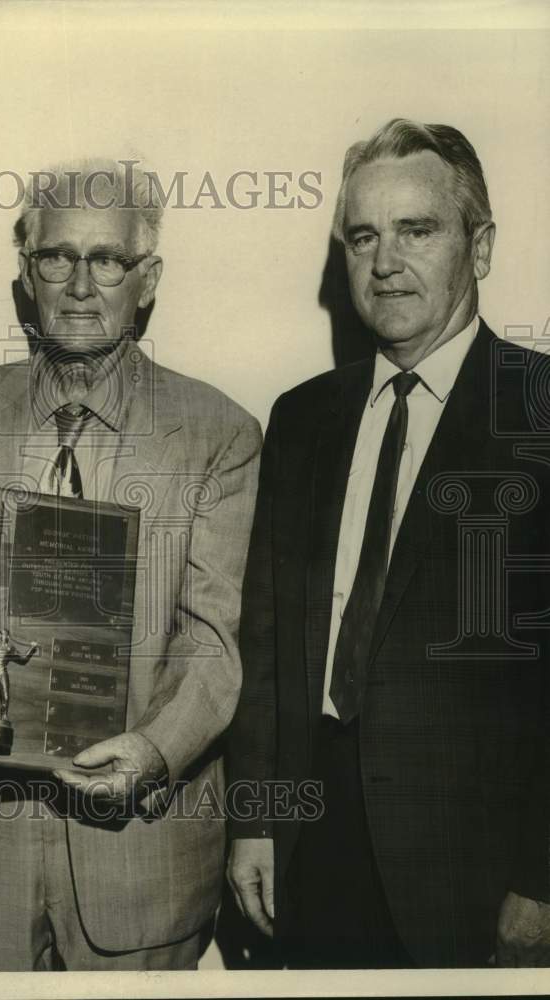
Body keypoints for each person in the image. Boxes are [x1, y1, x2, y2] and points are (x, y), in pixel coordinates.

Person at [0, 159, 262, 970]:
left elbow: (212, 645)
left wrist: (150, 754)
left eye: (107, 260)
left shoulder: (219, 434)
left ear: (147, 280)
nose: (78, 285)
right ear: (25, 273)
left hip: (138, 854)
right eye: (55, 257)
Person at [227, 118, 550, 968]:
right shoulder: (300, 420)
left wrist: (543, 878)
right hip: (310, 851)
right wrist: (255, 818)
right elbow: (265, 648)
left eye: (417, 230)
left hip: (477, 875)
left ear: (478, 246)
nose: (383, 263)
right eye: (361, 236)